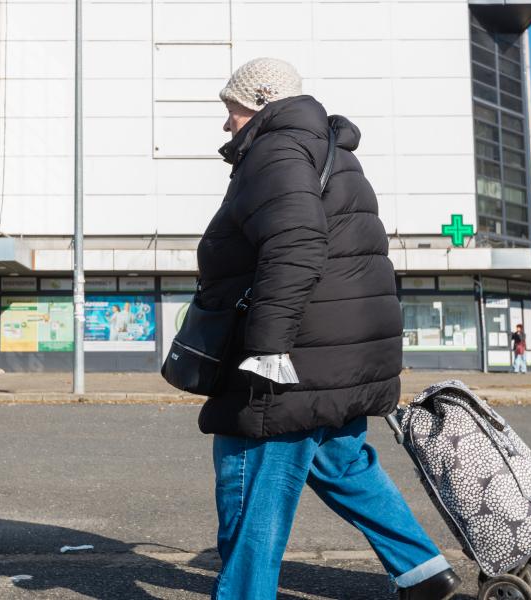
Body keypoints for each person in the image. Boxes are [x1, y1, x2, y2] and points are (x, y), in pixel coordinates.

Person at [196, 58, 459, 600]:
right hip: (334, 352)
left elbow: (294, 245)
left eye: (233, 109)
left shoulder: (276, 149)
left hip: (293, 351)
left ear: (261, 102)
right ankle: (424, 574)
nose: (227, 124)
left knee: (251, 474)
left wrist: (266, 348)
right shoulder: (331, 152)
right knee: (341, 463)